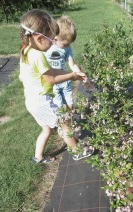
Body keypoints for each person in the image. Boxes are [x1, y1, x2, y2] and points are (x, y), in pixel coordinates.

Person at [19, 9, 94, 163]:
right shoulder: (39, 55)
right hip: (42, 100)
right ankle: (77, 151)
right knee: (65, 122)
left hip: (31, 100)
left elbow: (25, 75)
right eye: (51, 38)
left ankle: (37, 157)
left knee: (47, 129)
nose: (53, 41)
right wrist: (72, 76)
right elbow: (52, 78)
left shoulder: (26, 51)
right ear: (40, 38)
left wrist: (73, 72)